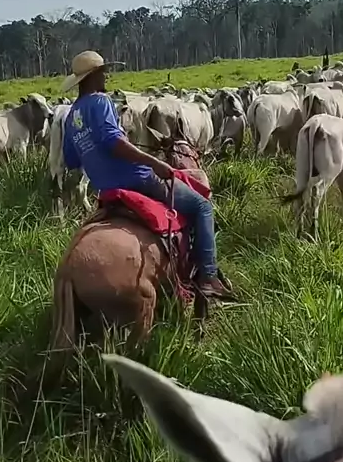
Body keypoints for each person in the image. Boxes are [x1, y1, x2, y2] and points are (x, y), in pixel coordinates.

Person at [61, 51, 230, 299]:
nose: (106, 77)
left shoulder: (71, 116)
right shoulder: (100, 101)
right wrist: (154, 162)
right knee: (201, 206)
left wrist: (92, 152)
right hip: (137, 179)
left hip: (106, 189)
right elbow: (112, 141)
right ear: (93, 76)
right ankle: (208, 276)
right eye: (103, 73)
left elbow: (72, 160)